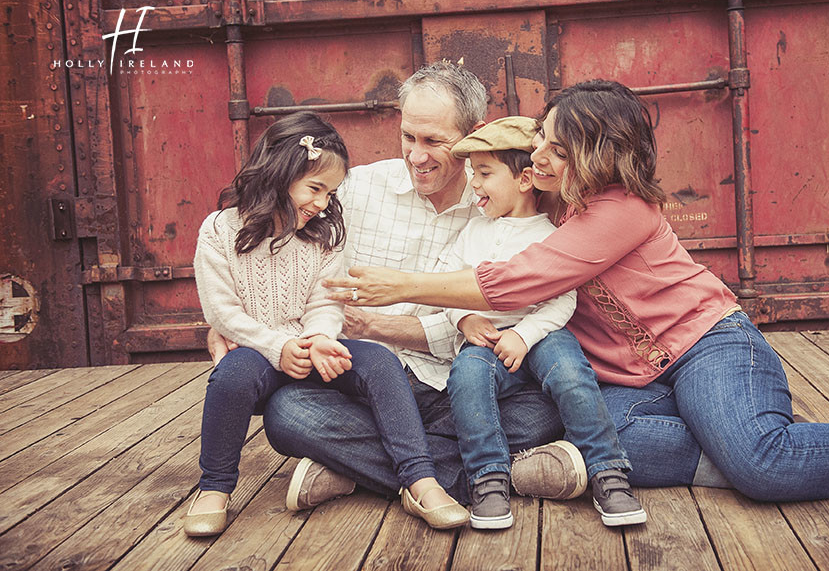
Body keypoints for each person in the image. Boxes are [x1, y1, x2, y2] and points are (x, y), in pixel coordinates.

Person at [329, 80, 829, 503]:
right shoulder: (545, 207)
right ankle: (732, 444)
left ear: (593, 152)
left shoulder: (620, 210)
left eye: (554, 146)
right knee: (595, 431)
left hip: (709, 347)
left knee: (761, 465)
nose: (539, 156)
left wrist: (401, 287)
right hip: (633, 381)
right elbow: (501, 175)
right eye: (539, 145)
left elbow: (520, 280)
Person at [214, 62, 586, 517]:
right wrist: (227, 322)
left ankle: (355, 469)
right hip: (364, 387)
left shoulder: (501, 196)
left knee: (544, 411)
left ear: (473, 134)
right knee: (289, 415)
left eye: (434, 141)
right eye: (409, 137)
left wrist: (383, 325)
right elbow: (264, 243)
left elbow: (506, 319)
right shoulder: (354, 190)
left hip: (457, 386)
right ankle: (480, 471)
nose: (417, 155)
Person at [188, 112, 468, 537]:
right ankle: (214, 487)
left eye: (330, 192)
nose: (322, 203)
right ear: (280, 174)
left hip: (314, 345)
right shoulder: (220, 230)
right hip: (258, 351)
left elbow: (326, 300)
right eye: (315, 189)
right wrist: (277, 347)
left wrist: (319, 338)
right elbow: (223, 313)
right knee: (231, 375)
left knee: (376, 361)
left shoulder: (323, 233)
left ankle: (420, 480)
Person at [442, 116, 645, 529]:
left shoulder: (550, 233)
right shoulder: (471, 233)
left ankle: (608, 473)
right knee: (466, 375)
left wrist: (524, 333)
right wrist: (464, 319)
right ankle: (488, 479)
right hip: (487, 339)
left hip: (542, 334)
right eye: (472, 174)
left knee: (571, 373)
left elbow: (561, 300)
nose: (474, 184)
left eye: (484, 173)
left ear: (523, 180)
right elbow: (445, 283)